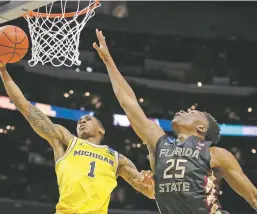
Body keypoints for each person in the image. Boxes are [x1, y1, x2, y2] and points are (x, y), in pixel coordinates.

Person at [93, 29, 257, 214]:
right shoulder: (159, 142)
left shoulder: (216, 154)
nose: (181, 111)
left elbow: (252, 196)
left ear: (201, 128)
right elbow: (128, 103)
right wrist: (108, 61)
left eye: (191, 112)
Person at [0, 41, 155, 214]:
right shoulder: (66, 140)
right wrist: (2, 71)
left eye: (88, 119)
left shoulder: (117, 159)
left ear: (101, 130)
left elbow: (149, 193)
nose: (81, 122)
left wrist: (150, 183)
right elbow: (24, 106)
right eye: (79, 121)